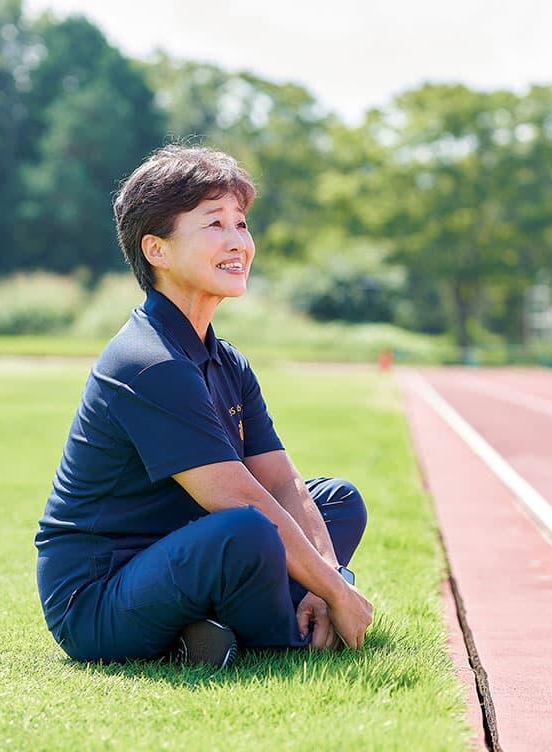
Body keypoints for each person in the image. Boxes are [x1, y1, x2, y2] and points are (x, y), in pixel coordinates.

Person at [35, 145, 374, 666]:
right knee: (248, 528)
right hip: (98, 600)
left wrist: (327, 583)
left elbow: (282, 484)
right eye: (215, 224)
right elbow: (242, 500)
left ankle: (216, 629)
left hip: (186, 549)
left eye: (241, 223)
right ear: (158, 250)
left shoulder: (227, 361)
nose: (238, 241)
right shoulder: (149, 362)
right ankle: (282, 635)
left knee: (335, 501)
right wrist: (336, 590)